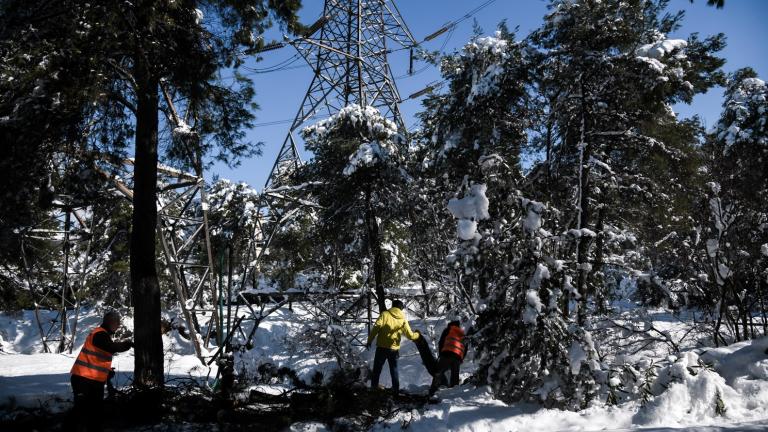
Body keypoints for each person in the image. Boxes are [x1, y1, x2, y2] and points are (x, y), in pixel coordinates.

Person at [69, 310, 133, 431]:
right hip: (83, 379)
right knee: (81, 410)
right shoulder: (99, 334)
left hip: (93, 381)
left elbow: (98, 357)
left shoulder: (103, 335)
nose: (118, 326)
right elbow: (110, 347)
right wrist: (126, 345)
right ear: (111, 323)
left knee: (95, 411)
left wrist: (107, 371)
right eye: (117, 323)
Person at [366, 299, 420, 394]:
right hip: (393, 350)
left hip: (382, 348)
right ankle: (395, 390)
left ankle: (373, 389)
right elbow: (410, 335)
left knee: (377, 369)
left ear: (392, 306)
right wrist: (418, 335)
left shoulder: (385, 314)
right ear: (400, 308)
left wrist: (369, 341)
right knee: (394, 370)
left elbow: (376, 328)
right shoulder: (403, 318)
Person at [429, 320, 466, 396]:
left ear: (450, 325)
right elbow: (465, 347)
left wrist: (441, 354)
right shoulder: (462, 333)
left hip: (447, 354)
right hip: (457, 357)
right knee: (455, 376)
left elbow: (441, 342)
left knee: (438, 372)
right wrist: (461, 358)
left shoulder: (448, 330)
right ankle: (454, 395)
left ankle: (432, 392)